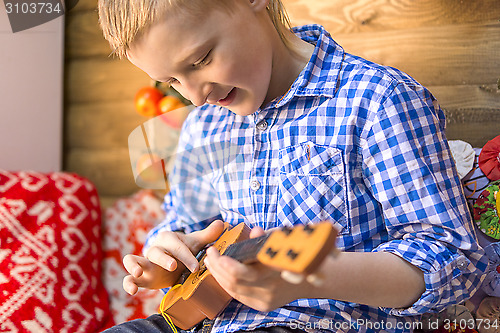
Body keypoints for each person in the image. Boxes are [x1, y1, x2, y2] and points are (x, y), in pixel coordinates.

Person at [97, 0, 488, 332]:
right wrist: (166, 256)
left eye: (201, 60)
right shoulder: (204, 127)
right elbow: (182, 223)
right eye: (171, 82)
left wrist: (311, 279)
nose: (197, 96)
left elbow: (453, 264)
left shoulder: (377, 101)